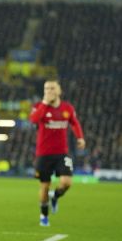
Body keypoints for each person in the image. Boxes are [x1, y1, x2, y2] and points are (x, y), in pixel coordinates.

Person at [30, 79, 85, 227]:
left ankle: (55, 196)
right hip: (43, 154)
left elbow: (74, 122)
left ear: (59, 90)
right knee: (44, 186)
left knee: (67, 182)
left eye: (52, 88)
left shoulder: (67, 108)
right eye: (46, 89)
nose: (49, 91)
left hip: (62, 153)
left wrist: (80, 137)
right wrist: (44, 103)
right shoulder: (39, 107)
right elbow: (34, 120)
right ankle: (44, 215)